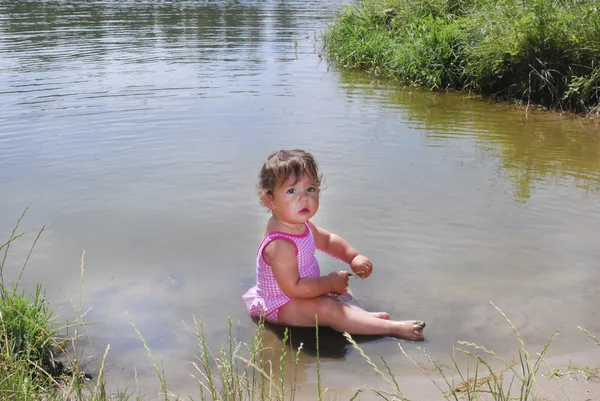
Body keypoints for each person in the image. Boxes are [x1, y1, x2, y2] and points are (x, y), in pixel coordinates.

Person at [242, 149, 425, 341]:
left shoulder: (300, 225)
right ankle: (391, 328)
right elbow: (293, 288)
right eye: (291, 191)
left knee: (342, 291)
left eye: (310, 189)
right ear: (270, 200)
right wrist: (328, 282)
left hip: (304, 292)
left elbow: (327, 240)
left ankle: (359, 318)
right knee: (328, 308)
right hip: (281, 305)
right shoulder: (280, 244)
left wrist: (353, 257)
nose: (304, 198)